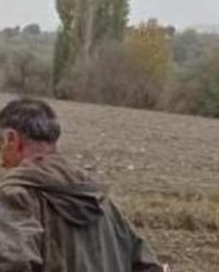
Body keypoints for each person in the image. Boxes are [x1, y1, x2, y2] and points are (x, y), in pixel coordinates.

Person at [0, 98, 163, 271]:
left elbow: (13, 264)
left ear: (11, 140)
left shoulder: (15, 196)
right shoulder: (101, 201)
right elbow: (149, 265)